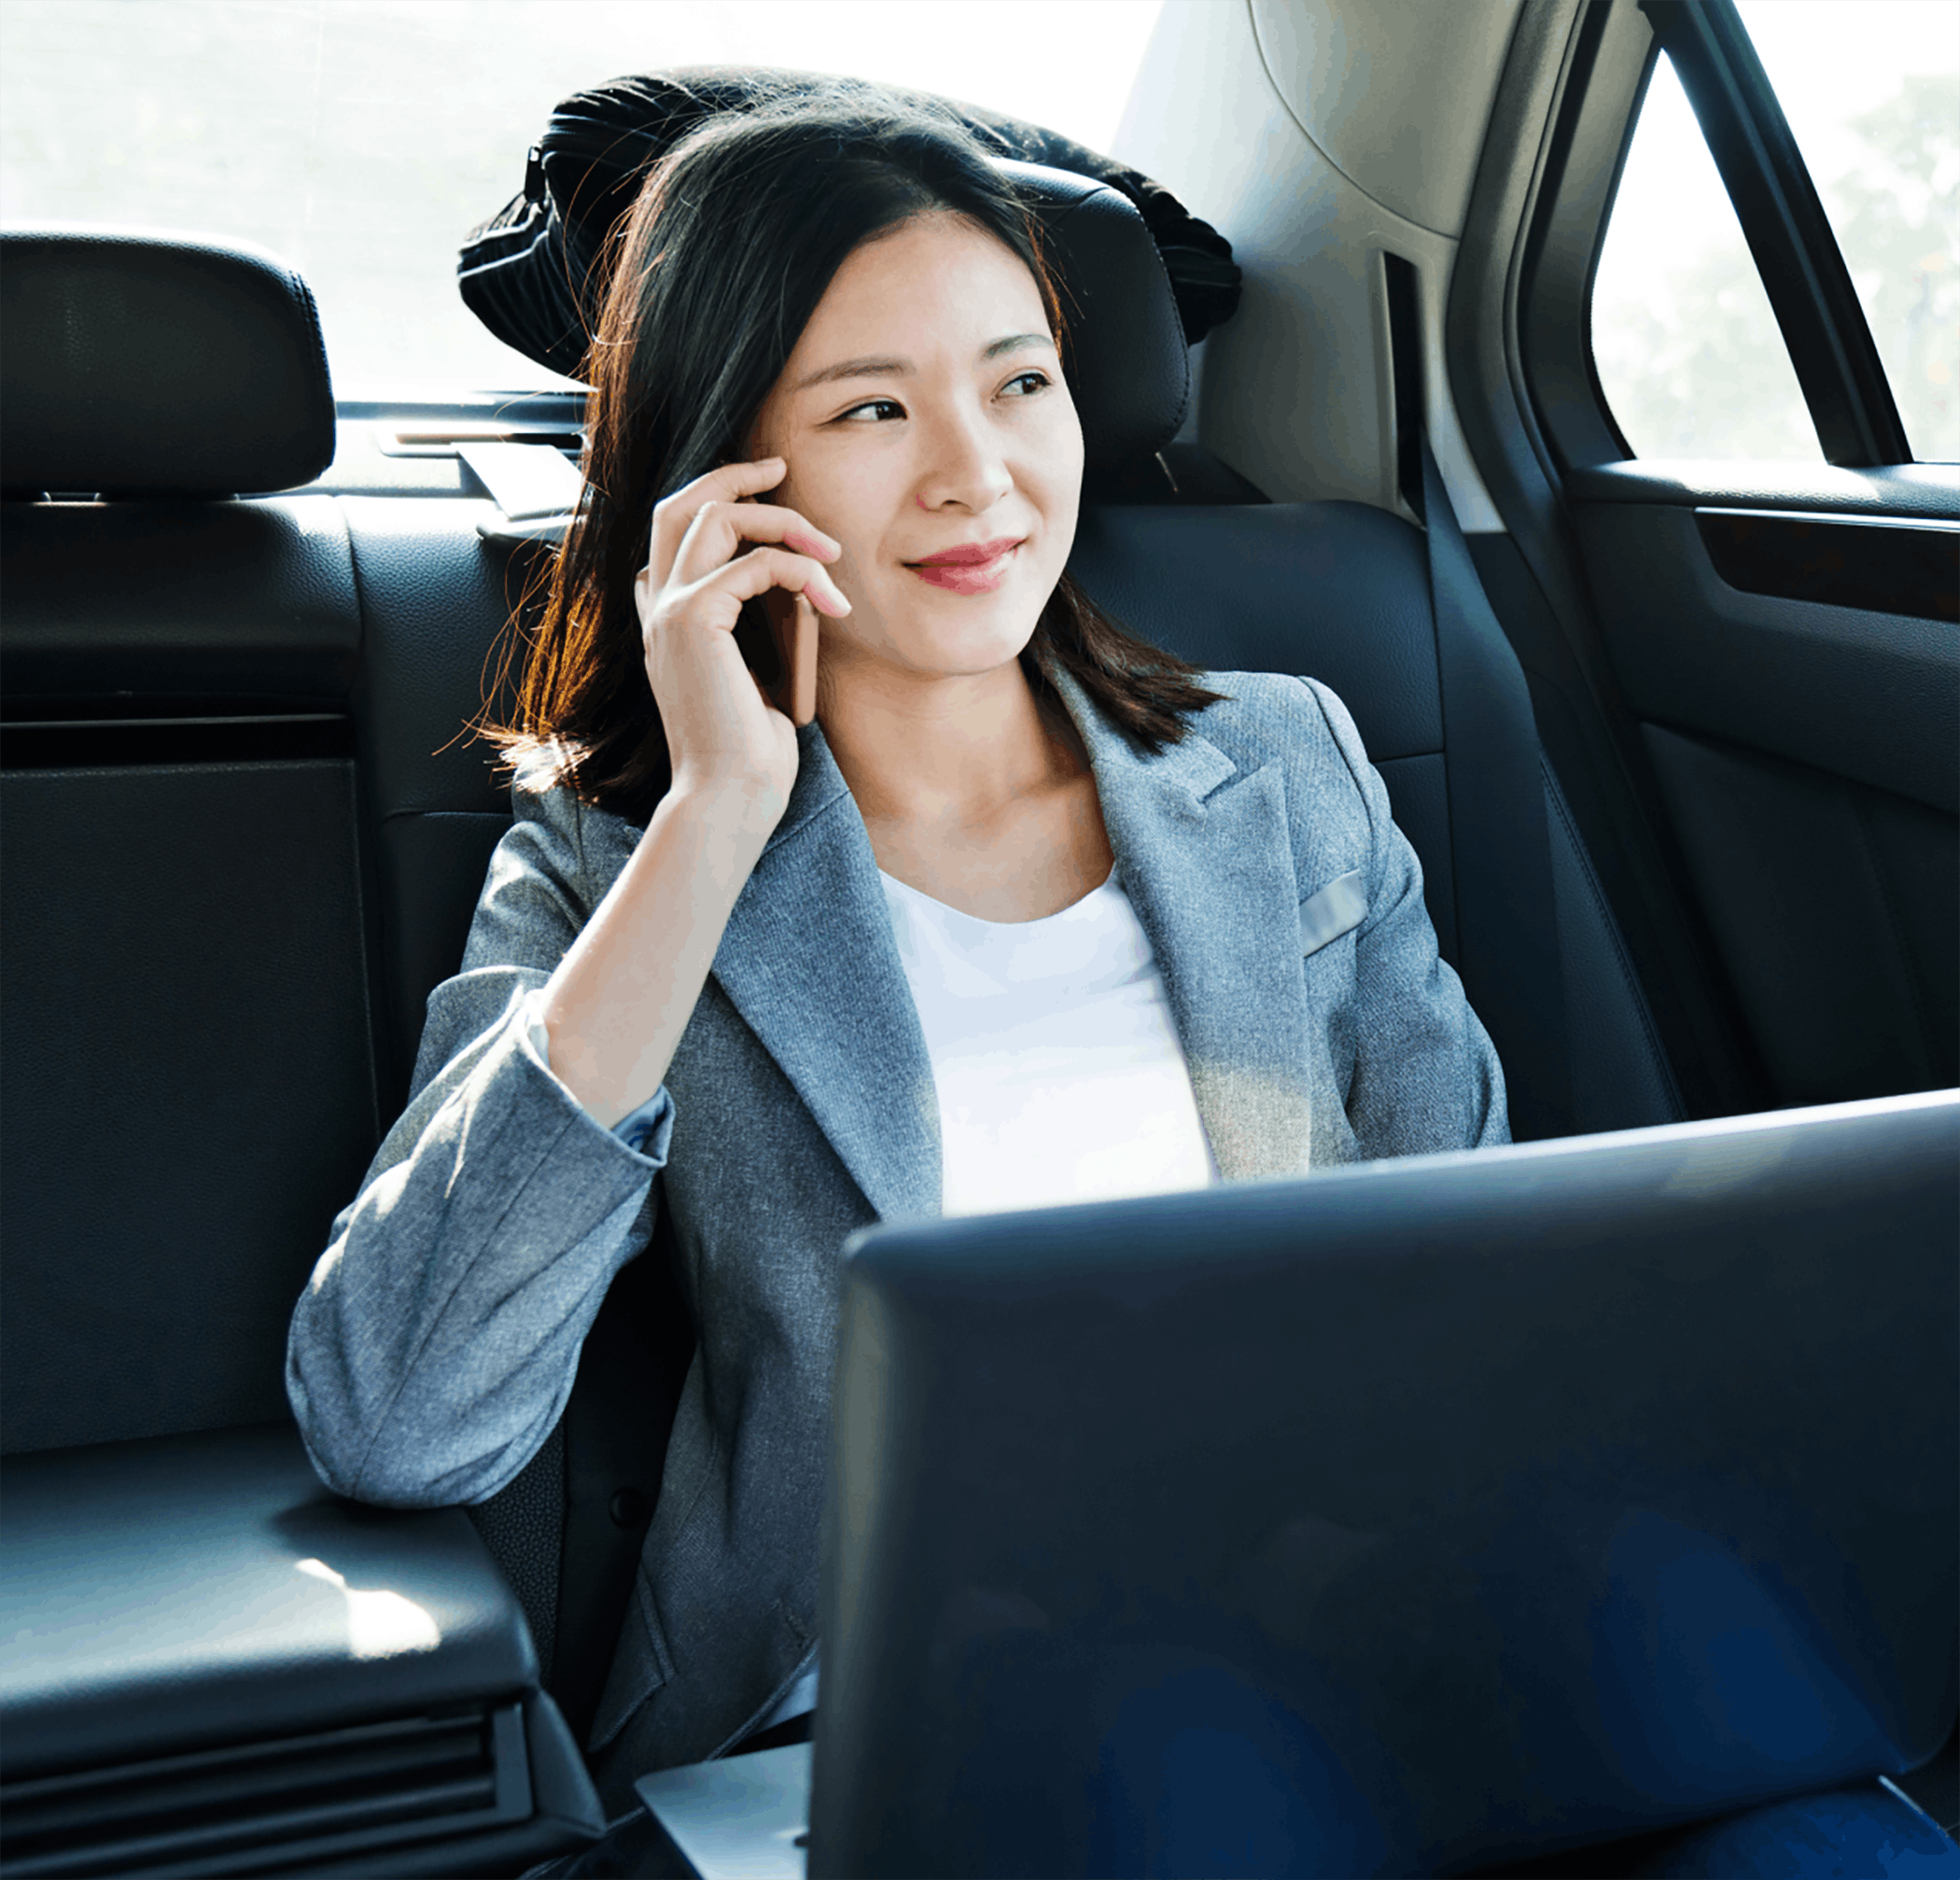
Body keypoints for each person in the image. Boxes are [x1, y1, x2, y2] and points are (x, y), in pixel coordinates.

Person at [285, 92, 1506, 1817]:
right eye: (874, 407)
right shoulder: (615, 864)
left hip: (1332, 1640)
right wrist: (716, 813)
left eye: (1020, 382)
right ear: (724, 473)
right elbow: (400, 1413)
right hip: (879, 1722)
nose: (978, 474)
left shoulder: (1291, 762)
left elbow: (1479, 1283)